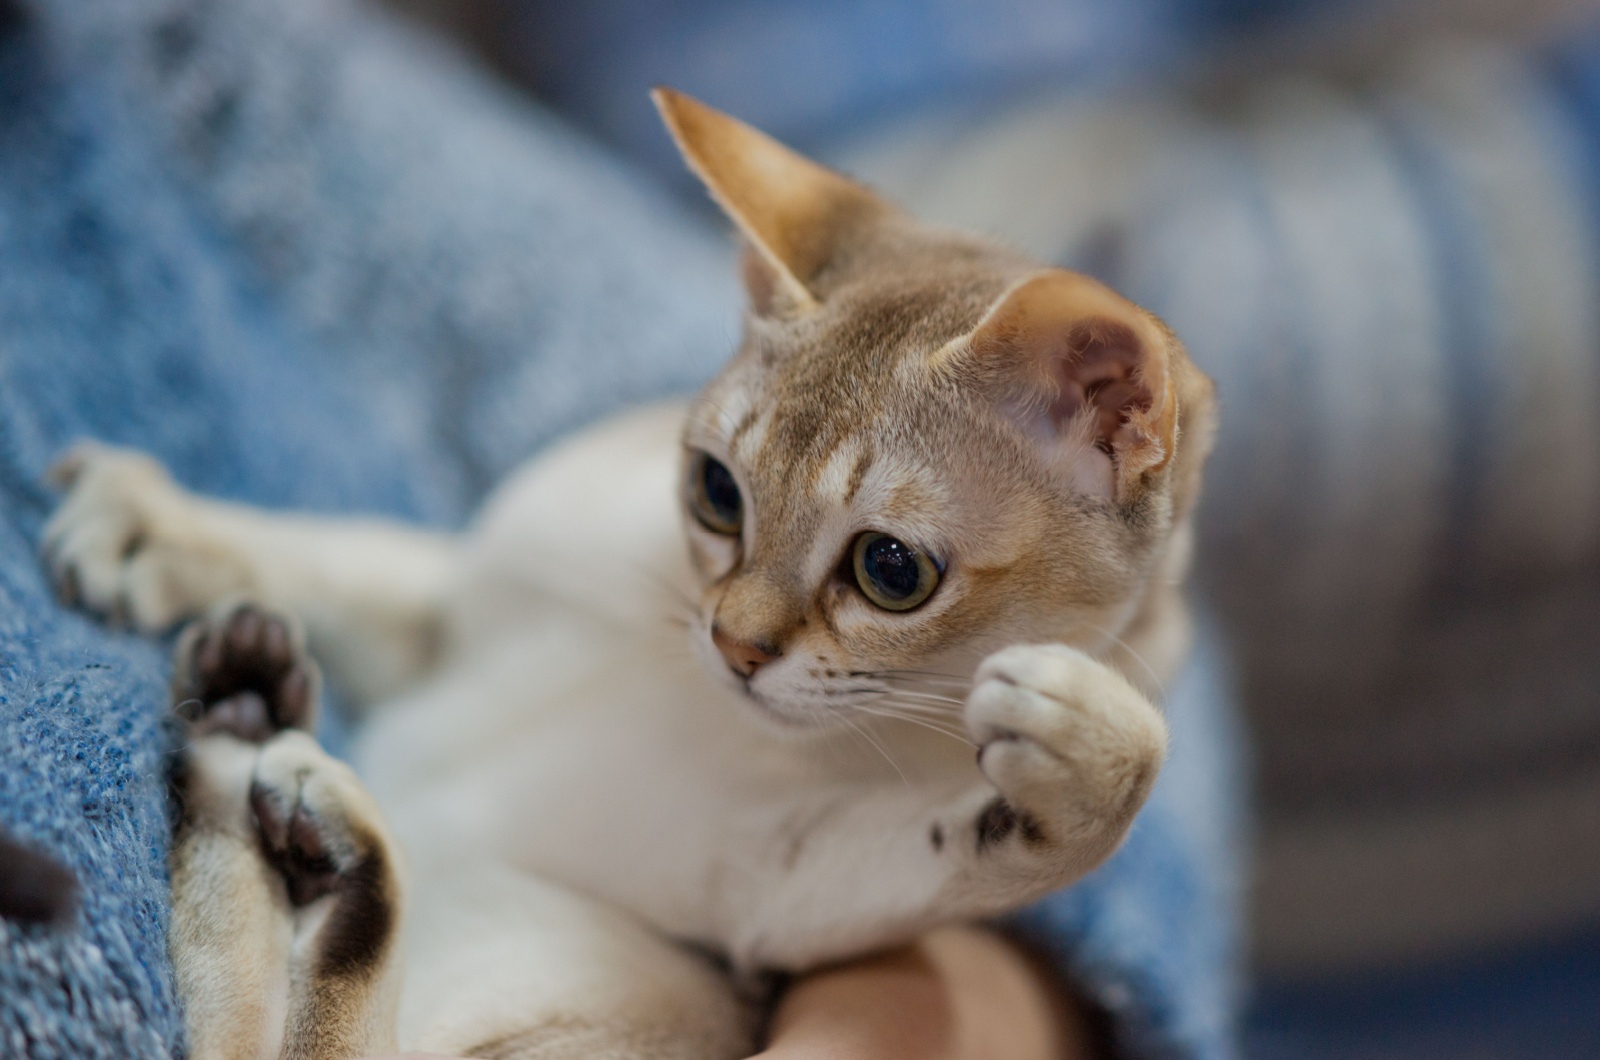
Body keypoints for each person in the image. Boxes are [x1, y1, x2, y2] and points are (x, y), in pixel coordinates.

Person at [0, 1, 1241, 1057]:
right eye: (718, 497)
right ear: (760, 291)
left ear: (1111, 421)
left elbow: (1168, 691)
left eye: (884, 566)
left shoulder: (157, 52)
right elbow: (478, 604)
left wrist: (991, 952)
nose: (742, 628)